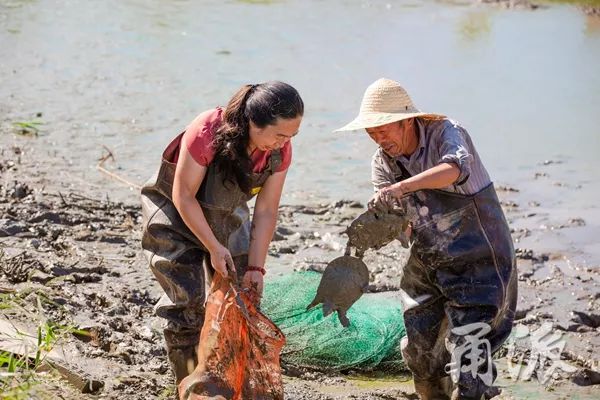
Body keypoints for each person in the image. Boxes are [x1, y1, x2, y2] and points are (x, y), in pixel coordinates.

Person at [335, 78, 517, 400]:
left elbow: (455, 169)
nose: (377, 138)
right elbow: (402, 223)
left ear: (406, 121)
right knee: (421, 352)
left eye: (383, 129)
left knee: (471, 360)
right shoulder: (382, 163)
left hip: (480, 260)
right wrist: (385, 221)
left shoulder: (446, 132)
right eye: (371, 132)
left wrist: (402, 188)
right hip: (429, 258)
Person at [140, 81, 304, 385]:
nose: (285, 143)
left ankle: (227, 381)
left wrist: (256, 267)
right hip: (176, 214)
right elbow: (184, 195)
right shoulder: (208, 129)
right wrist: (214, 248)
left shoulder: (279, 151)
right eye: (280, 134)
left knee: (244, 296)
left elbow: (266, 211)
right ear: (254, 122)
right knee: (186, 305)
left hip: (227, 215)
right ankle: (188, 385)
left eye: (292, 136)